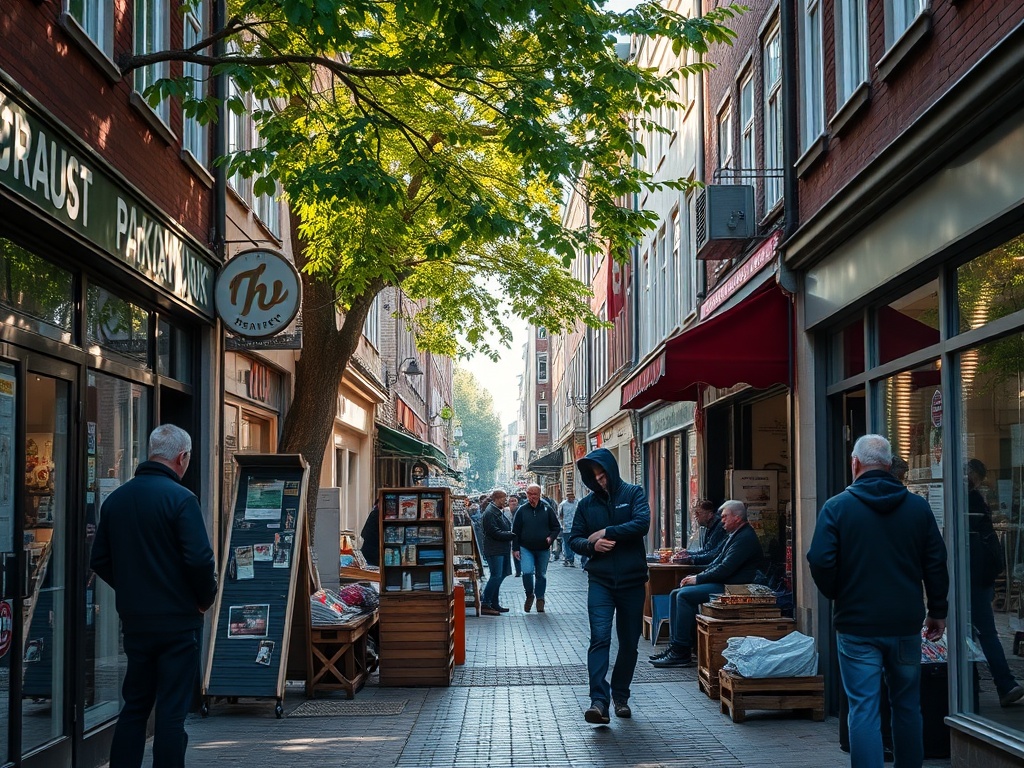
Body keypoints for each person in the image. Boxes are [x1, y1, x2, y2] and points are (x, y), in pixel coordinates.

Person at [807, 434, 948, 768]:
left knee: (864, 708)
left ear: (855, 463)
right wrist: (938, 611)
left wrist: (839, 592)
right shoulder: (917, 507)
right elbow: (935, 561)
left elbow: (820, 560)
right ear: (889, 465)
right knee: (907, 705)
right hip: (904, 622)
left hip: (857, 624)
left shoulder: (837, 507)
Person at [90, 424, 218, 768]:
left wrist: (133, 589)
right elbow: (200, 559)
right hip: (178, 622)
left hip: (136, 622)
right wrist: (203, 600)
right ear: (182, 457)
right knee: (171, 713)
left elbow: (99, 559)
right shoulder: (181, 499)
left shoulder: (116, 500)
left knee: (134, 707)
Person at [571, 448, 650, 724]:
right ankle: (599, 702)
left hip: (632, 581)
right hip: (601, 581)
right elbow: (575, 540)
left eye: (603, 475)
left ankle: (621, 696)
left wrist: (607, 532)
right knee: (600, 638)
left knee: (629, 643)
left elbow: (642, 524)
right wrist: (592, 545)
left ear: (611, 471)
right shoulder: (586, 505)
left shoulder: (633, 494)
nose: (600, 481)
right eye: (594, 478)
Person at [651, 500, 764, 667]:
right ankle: (676, 646)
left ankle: (681, 652)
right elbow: (717, 562)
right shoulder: (735, 535)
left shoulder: (745, 537)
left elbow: (725, 568)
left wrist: (698, 579)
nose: (722, 520)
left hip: (734, 587)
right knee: (676, 593)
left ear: (737, 517)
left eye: (725, 517)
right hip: (727, 583)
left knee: (684, 595)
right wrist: (698, 575)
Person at [967, 459, 1023, 707]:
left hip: (970, 576)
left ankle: (980, 683)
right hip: (979, 576)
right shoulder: (973, 498)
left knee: (973, 631)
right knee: (984, 631)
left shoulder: (966, 498)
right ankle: (1001, 683)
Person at [512, 483, 561, 612]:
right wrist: (515, 548)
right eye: (529, 494)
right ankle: (529, 595)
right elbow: (515, 531)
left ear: (539, 495)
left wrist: (551, 538)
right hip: (526, 547)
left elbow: (556, 527)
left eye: (534, 494)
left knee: (541, 574)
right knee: (527, 572)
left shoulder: (547, 509)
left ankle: (540, 599)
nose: (532, 497)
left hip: (543, 548)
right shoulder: (522, 510)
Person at [480, 489, 516, 616]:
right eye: (503, 498)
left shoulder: (496, 511)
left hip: (501, 548)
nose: (505, 501)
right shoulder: (490, 513)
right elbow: (493, 532)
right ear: (497, 499)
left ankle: (493, 602)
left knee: (501, 575)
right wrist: (510, 535)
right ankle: (485, 602)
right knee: (496, 575)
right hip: (494, 549)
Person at [678, 499, 726, 565]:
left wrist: (690, 558)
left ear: (710, 515)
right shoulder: (709, 528)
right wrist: (687, 553)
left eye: (698, 513)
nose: (696, 517)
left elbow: (710, 553)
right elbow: (706, 551)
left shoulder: (719, 528)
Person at [559, 490, 579, 567]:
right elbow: (560, 516)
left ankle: (570, 558)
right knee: (567, 544)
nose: (572, 499)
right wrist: (562, 525)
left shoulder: (577, 504)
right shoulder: (563, 505)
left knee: (573, 543)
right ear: (567, 497)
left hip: (574, 527)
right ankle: (568, 558)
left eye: (573, 497)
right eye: (570, 497)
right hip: (566, 528)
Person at [507, 494, 522, 577]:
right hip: (509, 534)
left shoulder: (521, 510)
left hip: (520, 535)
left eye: (514, 501)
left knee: (521, 552)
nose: (512, 503)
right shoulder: (506, 511)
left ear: (517, 502)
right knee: (514, 552)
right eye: (511, 501)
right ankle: (518, 570)